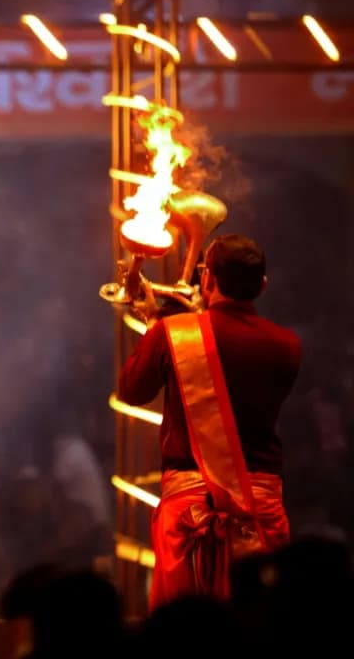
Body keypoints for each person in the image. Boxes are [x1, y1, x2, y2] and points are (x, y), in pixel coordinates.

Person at [118, 234, 300, 609]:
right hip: (259, 512)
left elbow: (132, 390)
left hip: (188, 514)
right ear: (262, 286)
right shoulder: (287, 345)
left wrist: (159, 326)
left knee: (185, 630)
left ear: (206, 280)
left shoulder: (176, 334)